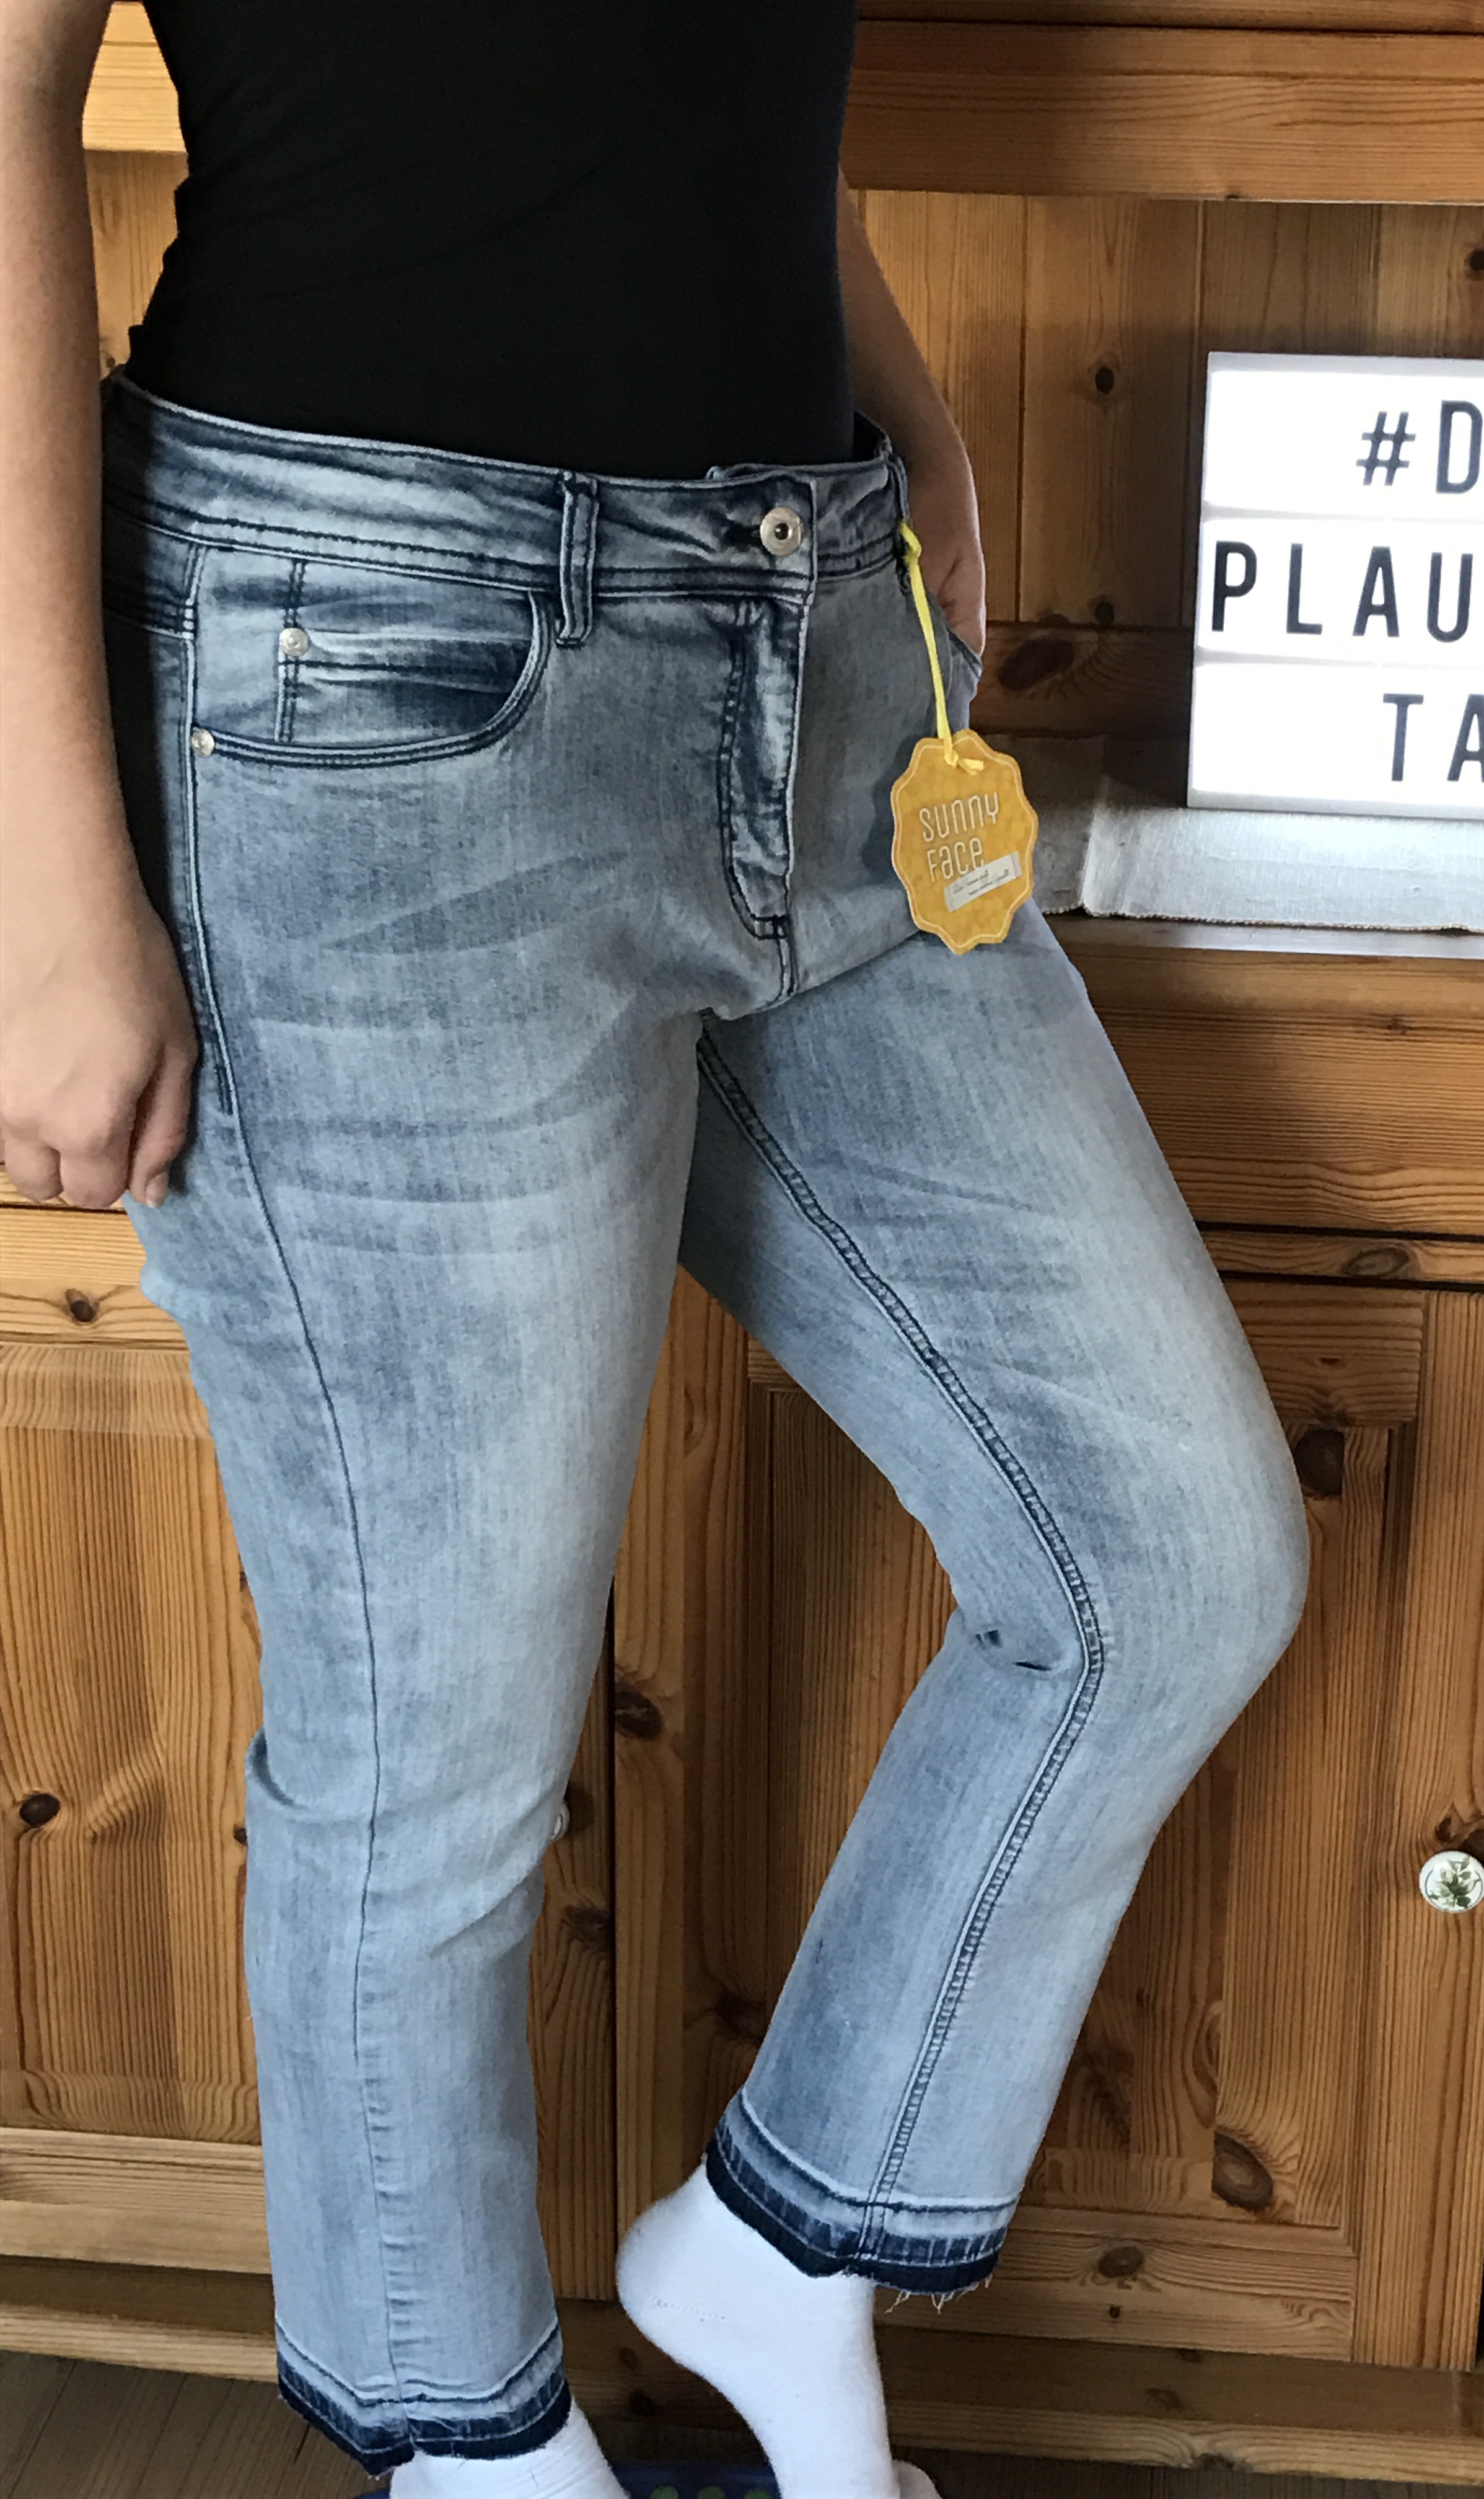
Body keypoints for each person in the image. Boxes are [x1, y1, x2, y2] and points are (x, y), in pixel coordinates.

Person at [0, 6, 1311, 2495]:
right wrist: (40, 868)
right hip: (362, 674)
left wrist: (901, 393)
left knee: (1164, 1549)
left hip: (823, 635)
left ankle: (785, 2256)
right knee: (435, 1754)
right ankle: (474, 2455)